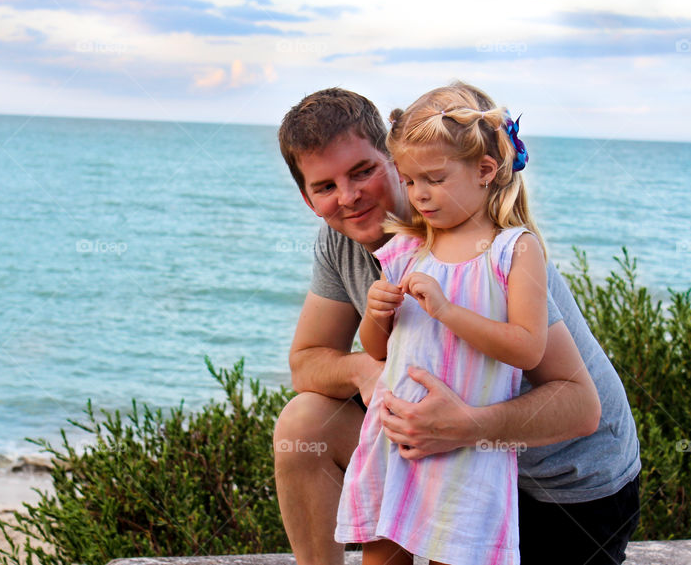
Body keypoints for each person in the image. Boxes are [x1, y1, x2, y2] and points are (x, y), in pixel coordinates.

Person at [274, 86, 641, 565]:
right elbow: (307, 362)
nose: (349, 197)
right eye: (325, 187)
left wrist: (466, 427)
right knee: (303, 424)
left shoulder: (491, 246)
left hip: (561, 489)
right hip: (446, 465)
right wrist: (366, 372)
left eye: (363, 171)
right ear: (307, 198)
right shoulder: (343, 242)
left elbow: (579, 406)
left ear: (393, 157)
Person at [335, 83, 548, 565]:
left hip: (464, 453)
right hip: (394, 437)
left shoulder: (512, 251)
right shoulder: (407, 249)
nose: (419, 195)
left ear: (485, 171)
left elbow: (528, 348)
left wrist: (449, 312)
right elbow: (378, 351)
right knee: (382, 554)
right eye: (409, 181)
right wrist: (375, 314)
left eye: (433, 178)